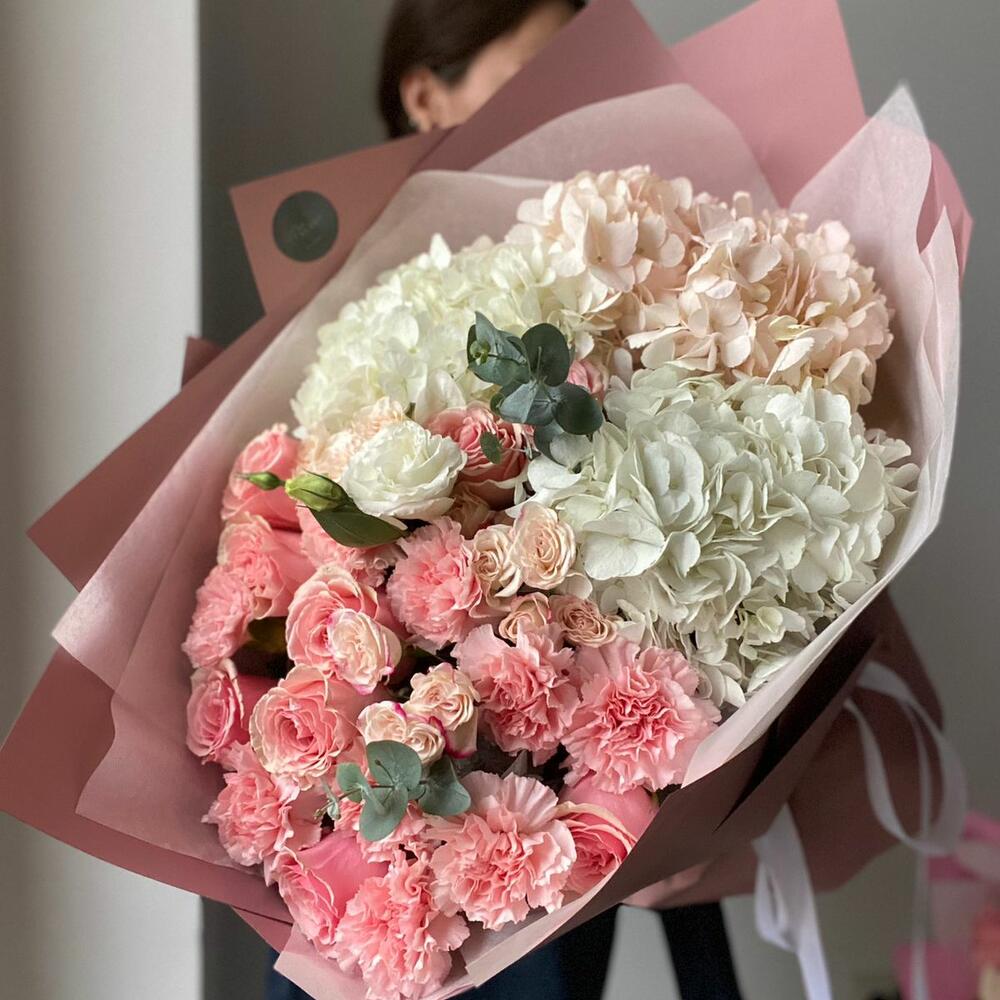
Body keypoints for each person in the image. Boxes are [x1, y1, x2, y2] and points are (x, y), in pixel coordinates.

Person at [269, 3, 744, 997]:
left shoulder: (621, 273)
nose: (574, 101)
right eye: (540, 69)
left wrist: (717, 790)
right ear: (423, 93)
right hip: (401, 865)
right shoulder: (349, 308)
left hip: (568, 830)